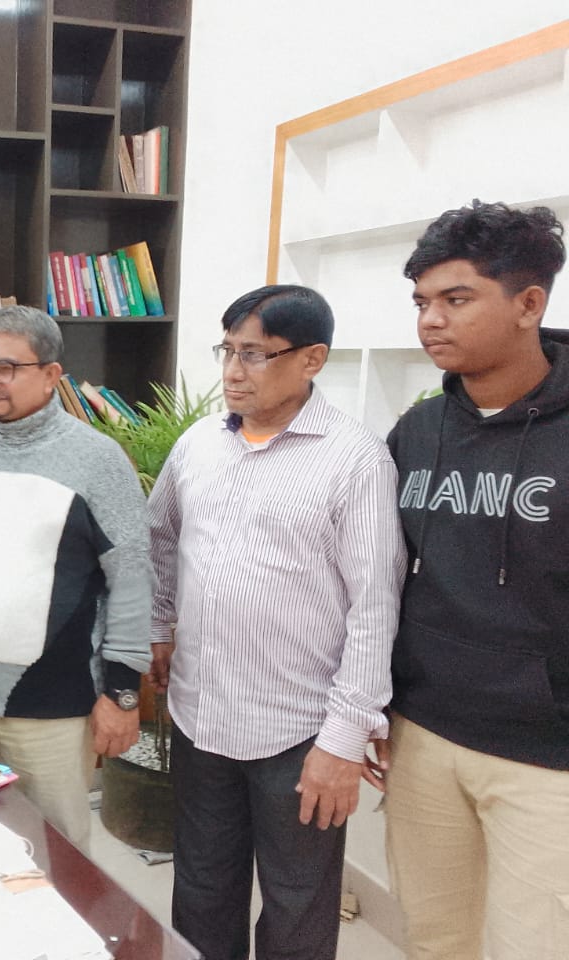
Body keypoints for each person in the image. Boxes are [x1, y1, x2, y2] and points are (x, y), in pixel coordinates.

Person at [147, 285, 406, 960]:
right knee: (201, 890)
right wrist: (161, 625)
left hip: (300, 731)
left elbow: (375, 606)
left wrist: (343, 740)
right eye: (227, 351)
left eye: (255, 354)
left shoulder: (355, 458)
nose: (233, 371)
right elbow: (160, 535)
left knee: (297, 904)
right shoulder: (199, 444)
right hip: (201, 715)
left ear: (311, 359)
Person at [383, 200, 568, 960]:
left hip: (547, 758)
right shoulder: (417, 431)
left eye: (456, 299)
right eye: (422, 302)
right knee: (436, 940)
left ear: (530, 303)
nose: (431, 320)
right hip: (422, 733)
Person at [0, 305, 152, 848]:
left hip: (53, 708)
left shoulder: (97, 459)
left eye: (6, 368)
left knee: (57, 855)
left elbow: (132, 576)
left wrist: (122, 693)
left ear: (51, 375)